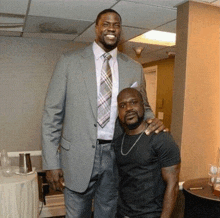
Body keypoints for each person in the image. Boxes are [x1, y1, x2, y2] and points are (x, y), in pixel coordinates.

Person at [41, 9, 166, 218]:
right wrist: (51, 163)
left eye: (116, 25)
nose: (111, 28)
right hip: (77, 157)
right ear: (96, 28)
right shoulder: (69, 62)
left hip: (116, 156)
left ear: (120, 31)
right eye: (106, 24)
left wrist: (154, 121)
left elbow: (143, 107)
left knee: (107, 213)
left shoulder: (134, 68)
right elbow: (51, 115)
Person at [114, 88, 180, 218]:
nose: (128, 108)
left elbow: (173, 185)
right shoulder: (118, 141)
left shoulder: (161, 138)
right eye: (122, 105)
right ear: (119, 112)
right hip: (122, 214)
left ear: (143, 106)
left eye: (133, 102)